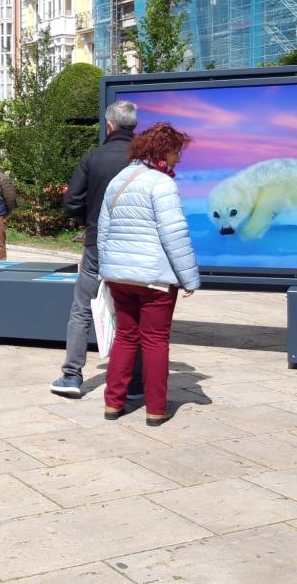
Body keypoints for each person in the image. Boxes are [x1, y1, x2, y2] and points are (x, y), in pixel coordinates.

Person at [96, 123, 200, 426]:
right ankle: (156, 409)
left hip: (120, 278)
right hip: (154, 279)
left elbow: (104, 230)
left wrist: (107, 268)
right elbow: (174, 234)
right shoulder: (162, 184)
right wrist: (189, 277)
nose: (178, 159)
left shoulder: (119, 180)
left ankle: (113, 404)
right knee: (155, 341)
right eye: (175, 151)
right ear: (161, 151)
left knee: (126, 338)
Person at [51, 99, 143, 398]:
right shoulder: (144, 159)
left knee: (82, 308)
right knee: (133, 310)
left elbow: (71, 202)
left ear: (110, 124)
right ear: (133, 125)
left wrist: (89, 221)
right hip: (134, 246)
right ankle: (135, 382)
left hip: (96, 244)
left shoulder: (94, 157)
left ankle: (72, 375)